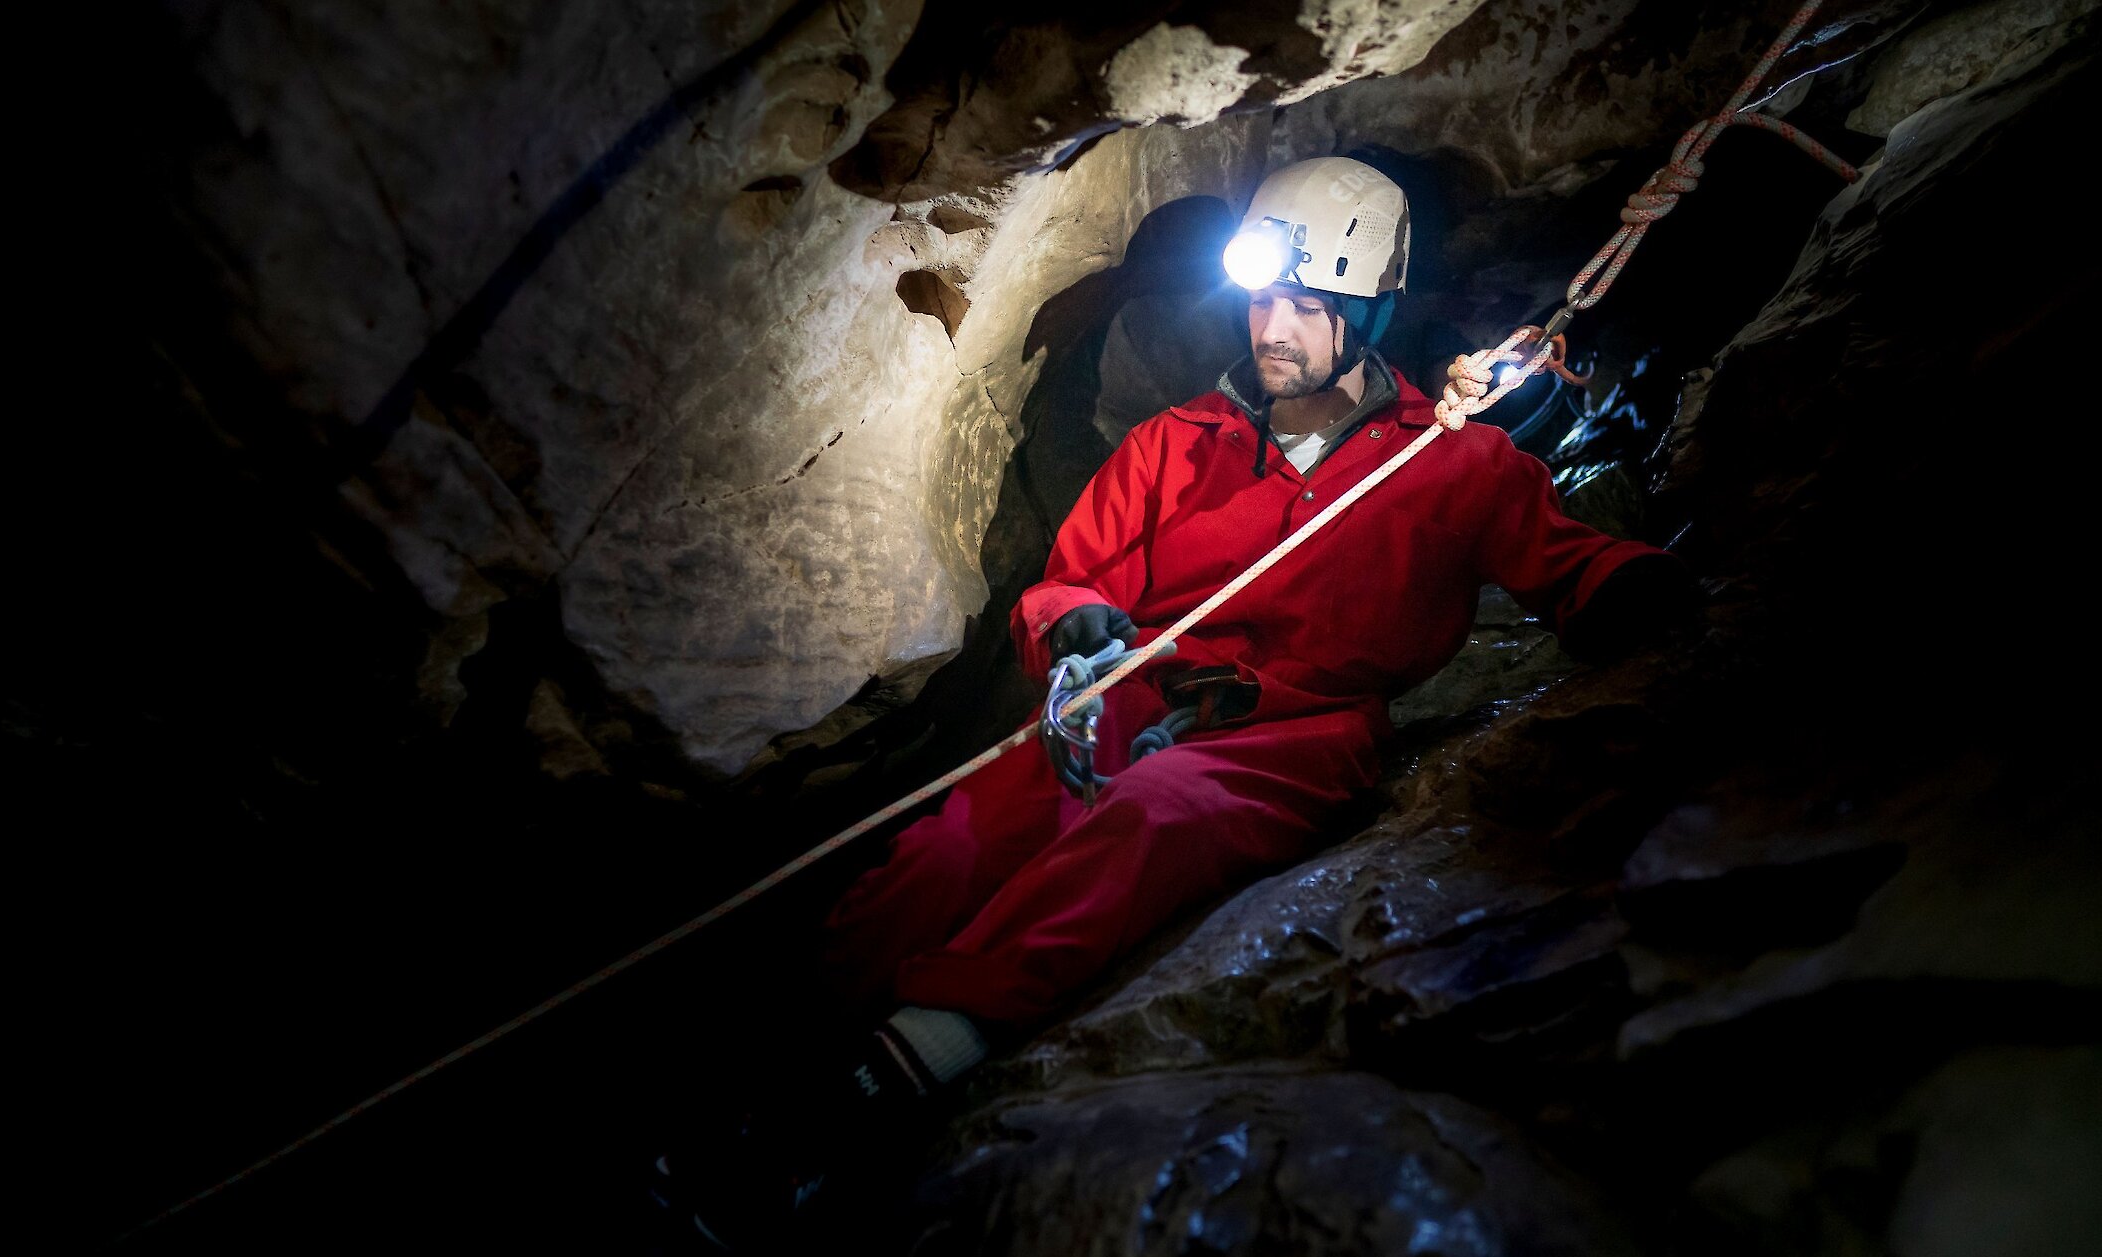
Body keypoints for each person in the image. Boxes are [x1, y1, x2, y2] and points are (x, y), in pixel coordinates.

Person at [650, 155, 1700, 1251]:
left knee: (1157, 819)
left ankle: (868, 1095)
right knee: (944, 858)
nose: (1272, 325)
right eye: (1261, 296)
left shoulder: (1448, 465)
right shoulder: (1174, 443)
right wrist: (1073, 625)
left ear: (1366, 309)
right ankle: (755, 1076)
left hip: (1296, 730)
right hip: (1120, 695)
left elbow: (1563, 559)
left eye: (1305, 303)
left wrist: (1629, 590)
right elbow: (1070, 576)